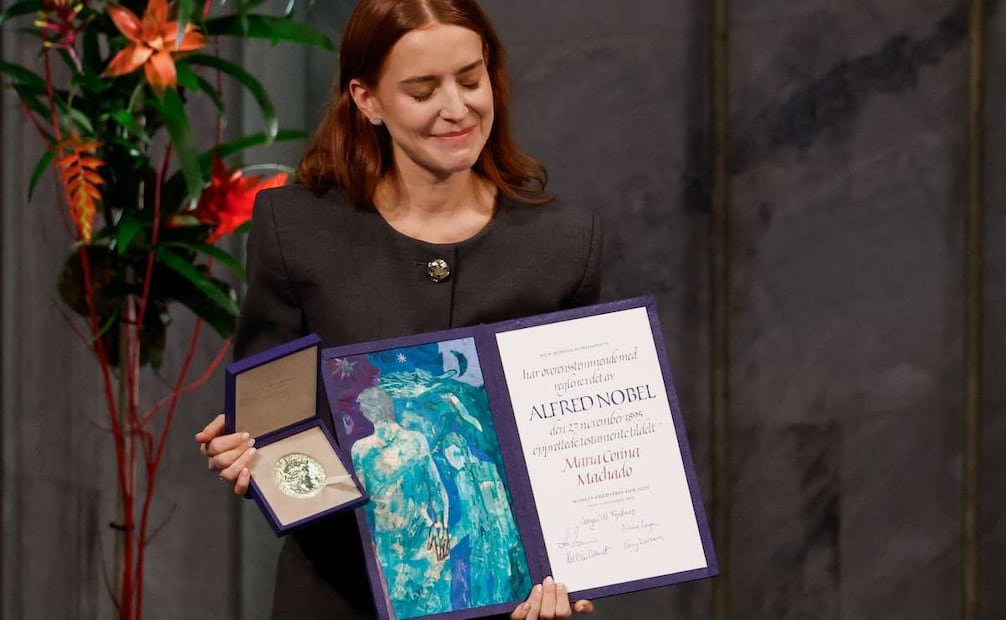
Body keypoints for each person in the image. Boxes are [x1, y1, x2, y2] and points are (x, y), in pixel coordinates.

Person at [195, 0, 601, 618]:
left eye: (471, 79)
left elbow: (582, 444)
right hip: (337, 595)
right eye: (422, 90)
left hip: (509, 604)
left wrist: (580, 569)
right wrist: (260, 460)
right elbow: (273, 425)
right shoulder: (297, 230)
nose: (458, 108)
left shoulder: (564, 244)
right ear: (367, 100)